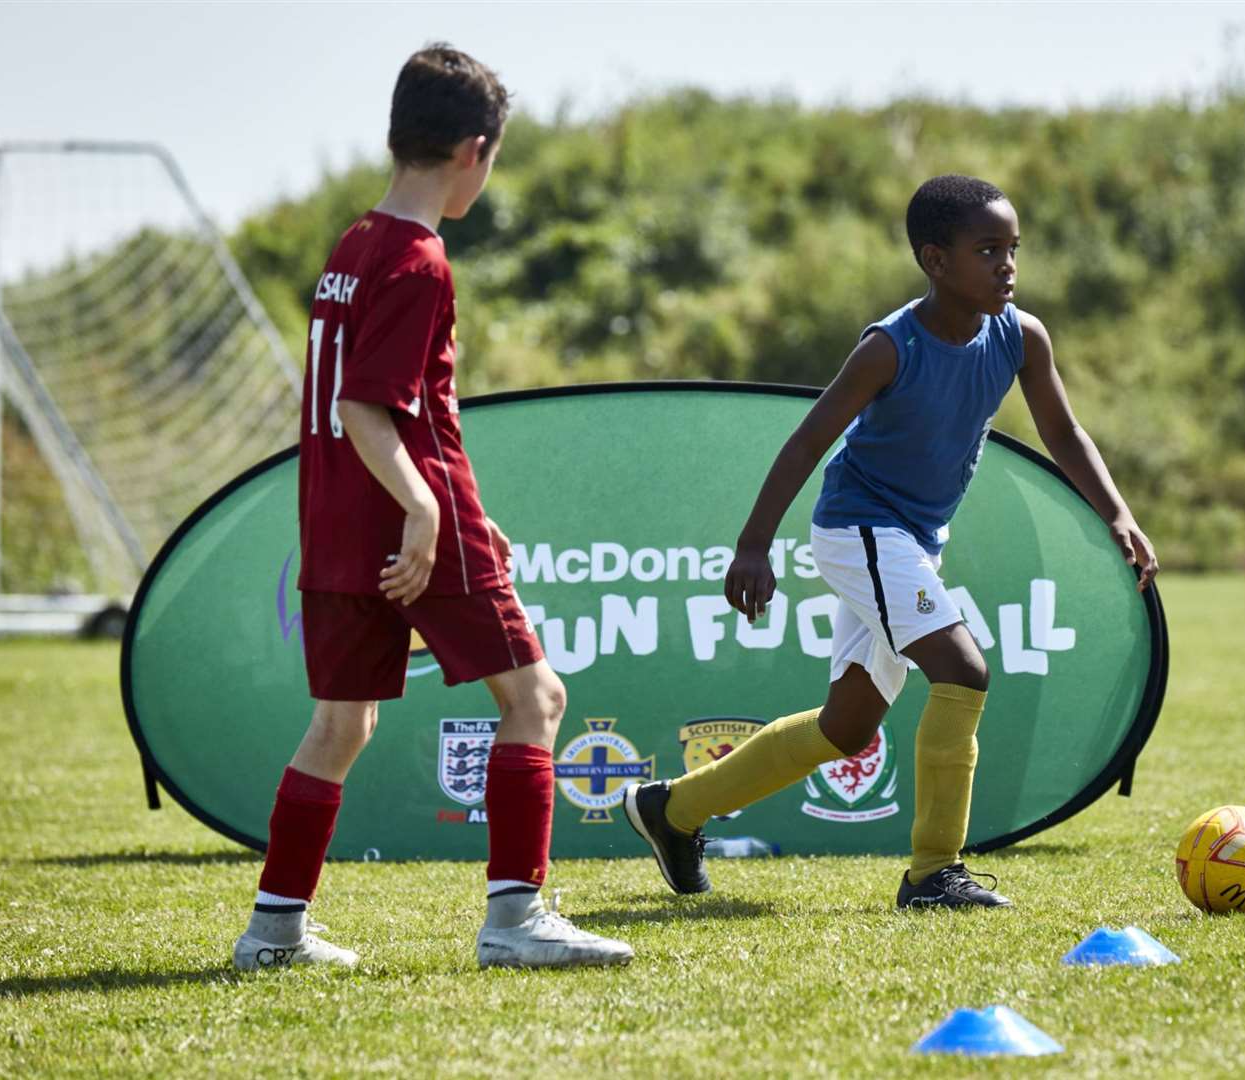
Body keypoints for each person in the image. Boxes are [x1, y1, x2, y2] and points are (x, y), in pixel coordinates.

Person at [624, 174, 1158, 909]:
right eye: (987, 250)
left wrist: (1118, 513)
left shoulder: (1021, 336)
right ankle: (934, 872)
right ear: (935, 261)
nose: (1007, 265)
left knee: (847, 726)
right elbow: (810, 439)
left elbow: (1064, 432)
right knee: (963, 671)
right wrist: (753, 546)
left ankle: (672, 811)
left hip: (911, 541)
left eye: (1013, 249)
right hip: (859, 529)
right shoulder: (889, 346)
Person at [233, 44, 631, 971]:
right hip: (409, 525)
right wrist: (427, 510)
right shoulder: (420, 261)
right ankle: (516, 921)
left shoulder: (351, 246)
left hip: (334, 522)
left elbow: (389, 412)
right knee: (537, 698)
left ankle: (273, 933)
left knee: (342, 725)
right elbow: (365, 407)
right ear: (475, 150)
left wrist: (455, 503)